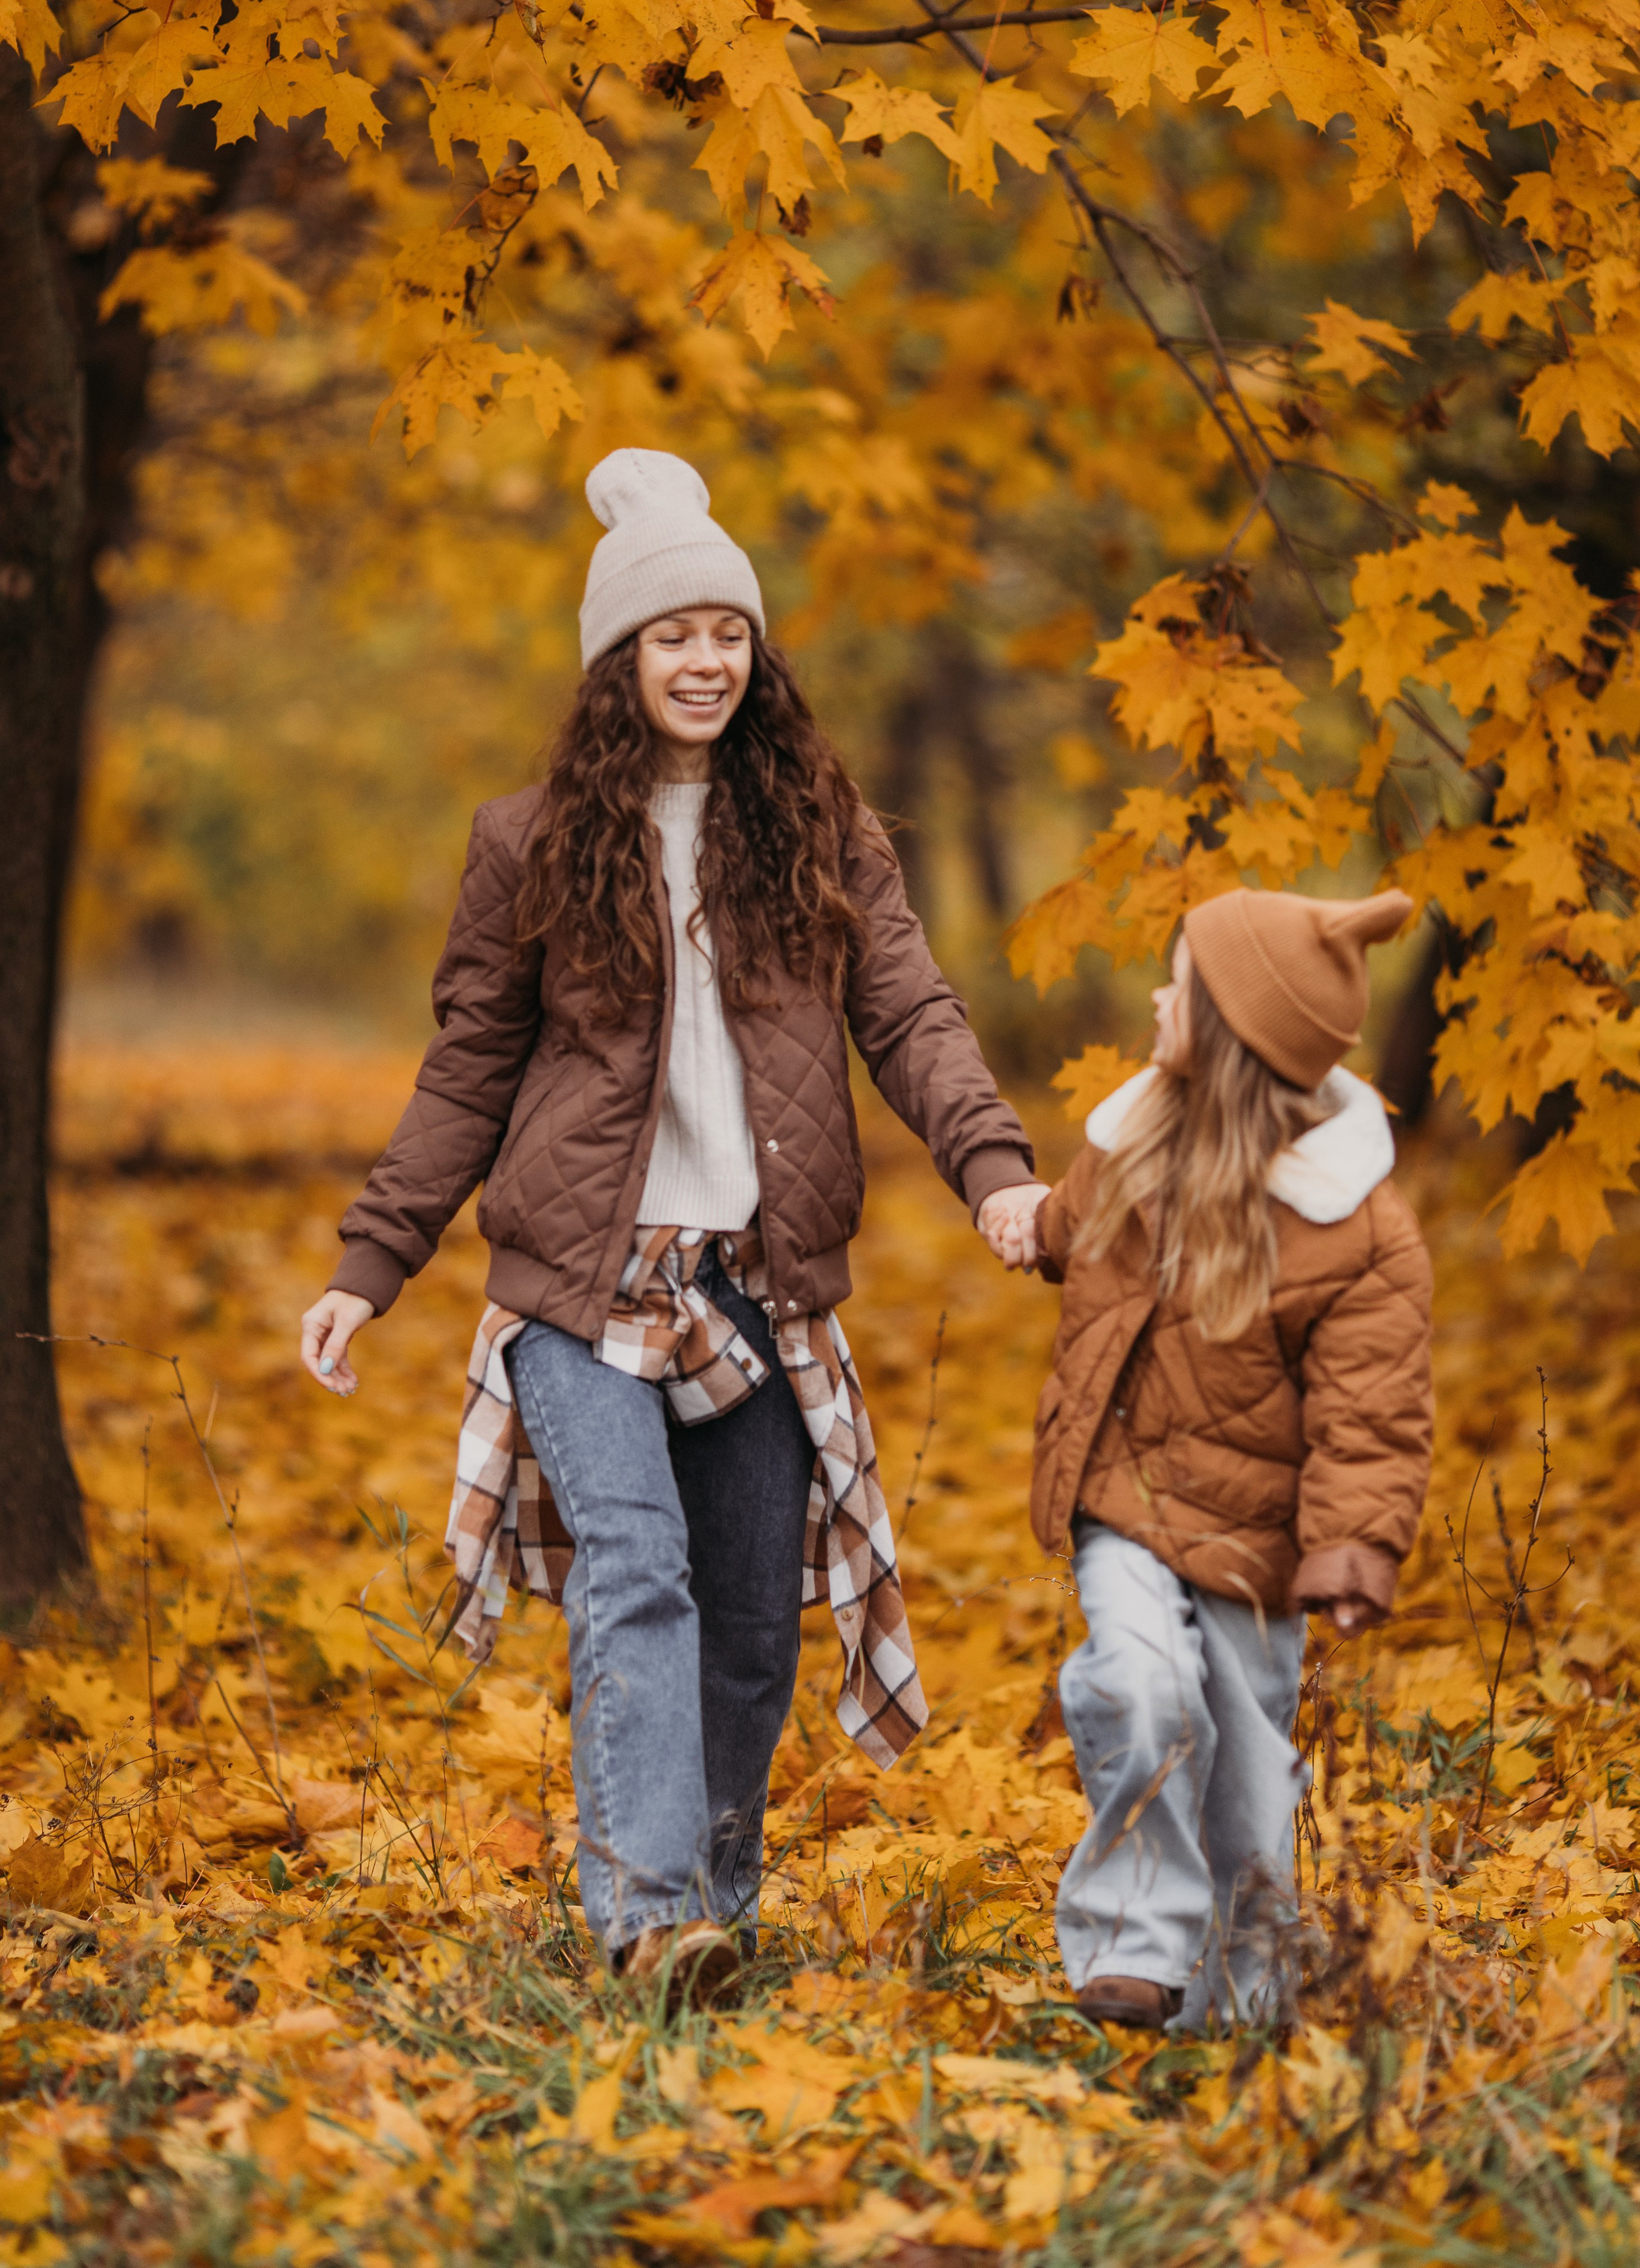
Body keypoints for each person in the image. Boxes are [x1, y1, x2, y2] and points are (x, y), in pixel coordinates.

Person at [299, 446, 1047, 2001]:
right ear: (615, 660)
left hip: (759, 1291)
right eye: (670, 636)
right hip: (583, 1289)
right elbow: (467, 1069)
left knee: (755, 1619)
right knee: (635, 1563)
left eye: (726, 633)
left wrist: (993, 1171)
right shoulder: (530, 844)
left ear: (755, 653)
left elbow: (910, 1014)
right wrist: (374, 1262)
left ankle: (712, 1908)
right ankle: (646, 1920)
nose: (704, 660)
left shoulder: (826, 831)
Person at [1028, 887, 1433, 2031]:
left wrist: (1353, 1543)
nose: (1159, 997)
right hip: (1125, 1497)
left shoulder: (1354, 1225)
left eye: (1179, 984)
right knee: (1141, 1687)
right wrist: (1031, 1228)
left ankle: (1241, 2000)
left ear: (1236, 1033)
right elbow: (1071, 1229)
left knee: (1253, 1781)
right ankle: (1132, 1940)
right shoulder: (1132, 1142)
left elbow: (1375, 1407)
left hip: (1257, 1537)